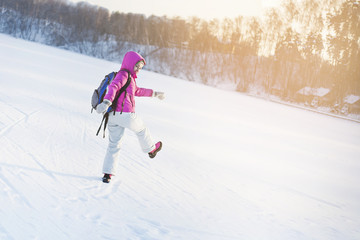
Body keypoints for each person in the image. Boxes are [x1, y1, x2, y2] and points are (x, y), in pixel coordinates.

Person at [96, 51, 164, 183]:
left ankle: (107, 174)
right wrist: (106, 101)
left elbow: (137, 91)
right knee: (142, 129)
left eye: (140, 67)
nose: (138, 69)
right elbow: (114, 87)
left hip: (113, 117)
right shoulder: (123, 75)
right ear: (130, 63)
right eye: (136, 66)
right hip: (125, 114)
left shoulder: (129, 78)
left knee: (114, 144)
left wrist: (154, 94)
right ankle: (151, 149)